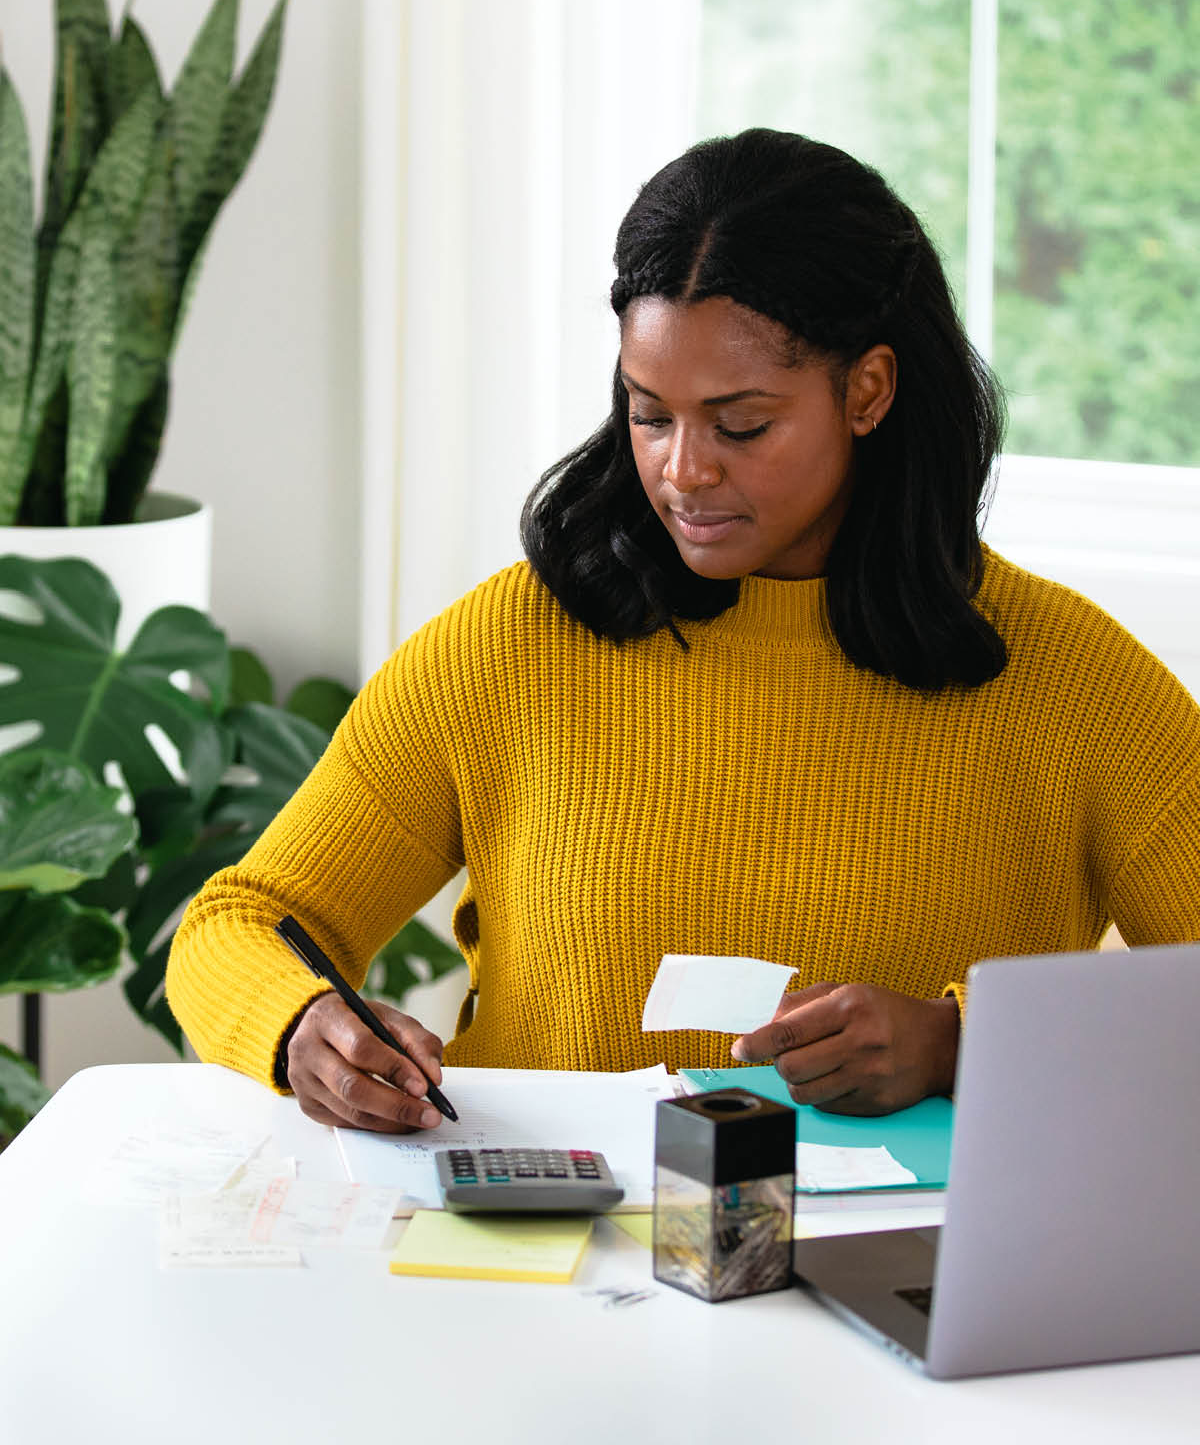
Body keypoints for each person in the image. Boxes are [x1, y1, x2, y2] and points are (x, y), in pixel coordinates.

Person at [166, 128, 1200, 1135]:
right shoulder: (509, 646)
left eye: (741, 424)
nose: (683, 470)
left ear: (869, 390)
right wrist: (301, 1024)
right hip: (544, 1279)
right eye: (649, 412)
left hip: (905, 1290)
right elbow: (236, 923)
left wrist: (959, 1043)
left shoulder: (1069, 678)